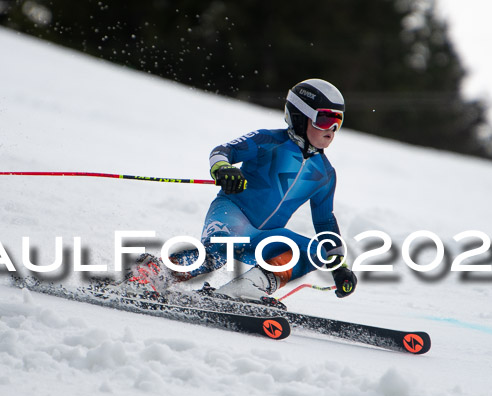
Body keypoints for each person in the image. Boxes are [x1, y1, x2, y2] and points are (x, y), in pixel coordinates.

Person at [129, 78, 357, 303]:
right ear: (299, 117)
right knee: (217, 252)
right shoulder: (268, 140)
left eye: (338, 121)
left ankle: (246, 287)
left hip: (264, 236)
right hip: (233, 214)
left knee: (314, 251)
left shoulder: (326, 174)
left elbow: (325, 223)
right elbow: (223, 151)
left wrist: (339, 268)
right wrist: (223, 168)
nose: (332, 130)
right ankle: (151, 274)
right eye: (325, 120)